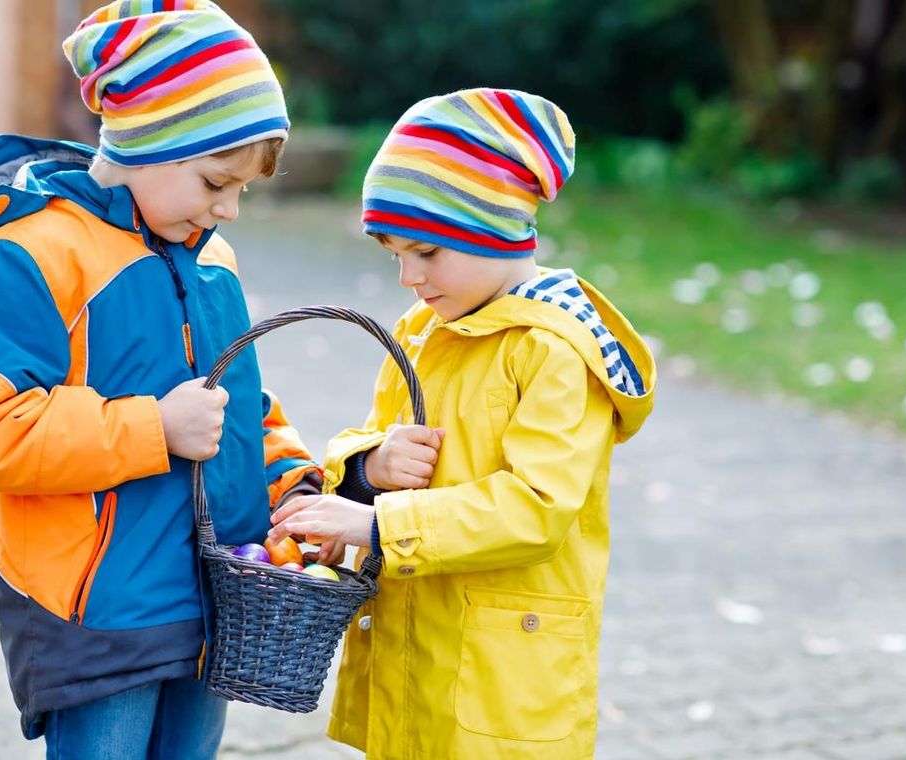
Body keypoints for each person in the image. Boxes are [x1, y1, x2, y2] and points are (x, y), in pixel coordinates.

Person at [0, 2, 321, 757]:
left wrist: (294, 486)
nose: (228, 208)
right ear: (150, 143)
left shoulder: (210, 258)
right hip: (98, 612)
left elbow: (243, 412)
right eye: (213, 181)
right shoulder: (26, 256)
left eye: (241, 191)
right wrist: (153, 429)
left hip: (214, 594)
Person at [269, 88, 656, 759]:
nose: (408, 278)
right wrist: (366, 471)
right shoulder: (425, 331)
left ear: (494, 228)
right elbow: (374, 432)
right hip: (414, 646)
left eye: (426, 252)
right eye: (393, 254)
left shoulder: (552, 351)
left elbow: (538, 509)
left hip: (500, 674)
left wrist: (376, 526)